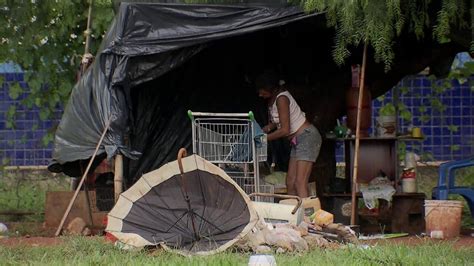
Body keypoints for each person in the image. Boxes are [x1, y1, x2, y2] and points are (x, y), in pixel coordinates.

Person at [256, 70, 322, 198]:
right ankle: (293, 213)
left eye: (261, 90)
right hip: (297, 140)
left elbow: (285, 130)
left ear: (270, 88)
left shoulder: (282, 99)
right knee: (290, 182)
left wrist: (264, 138)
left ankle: (306, 216)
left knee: (300, 182)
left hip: (306, 137)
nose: (260, 94)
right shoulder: (274, 99)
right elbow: (281, 119)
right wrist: (269, 127)